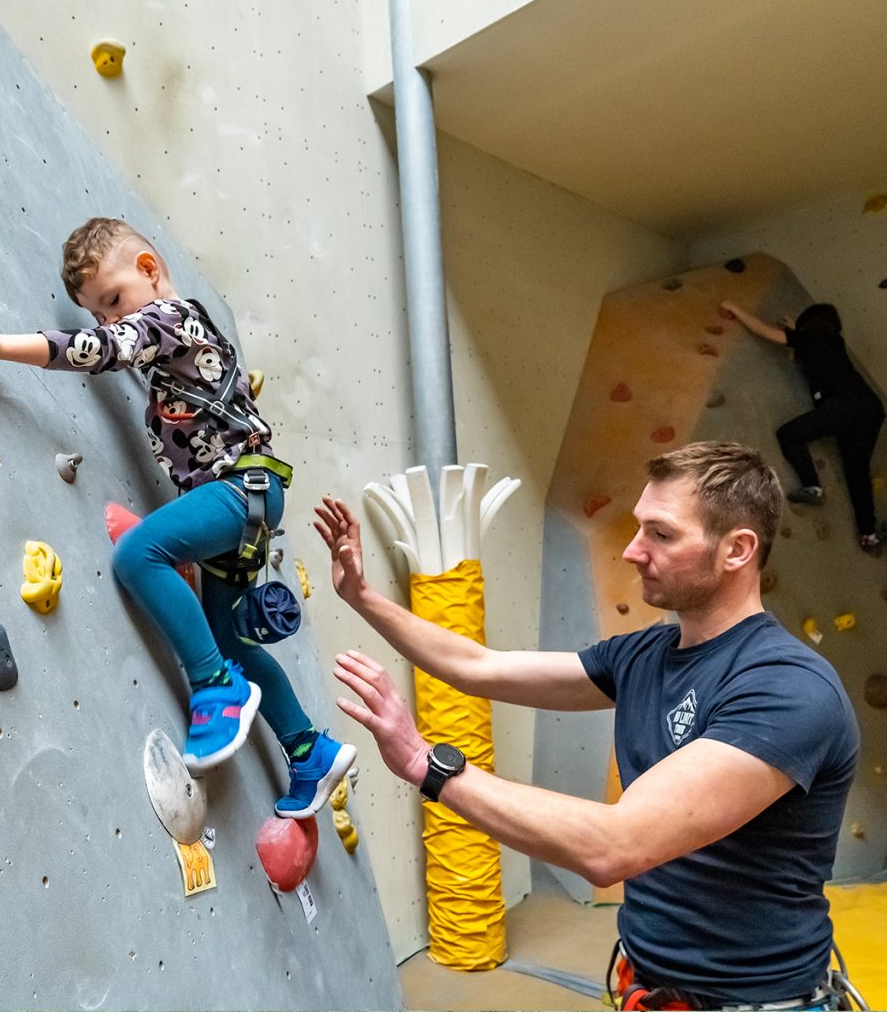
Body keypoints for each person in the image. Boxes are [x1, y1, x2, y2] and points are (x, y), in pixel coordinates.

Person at [315, 441, 859, 1010]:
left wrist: (427, 765)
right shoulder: (646, 654)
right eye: (638, 528)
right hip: (648, 984)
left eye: (661, 534)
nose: (632, 550)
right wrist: (361, 595)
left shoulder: (785, 687)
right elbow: (477, 667)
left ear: (737, 550)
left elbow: (613, 847)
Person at [0, 217, 354, 818]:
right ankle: (308, 751)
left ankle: (214, 688)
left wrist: (2, 343)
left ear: (148, 270)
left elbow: (102, 351)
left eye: (113, 300)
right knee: (227, 636)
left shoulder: (171, 318)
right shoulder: (175, 346)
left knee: (140, 554)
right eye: (99, 313)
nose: (111, 321)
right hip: (253, 497)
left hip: (239, 489)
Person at [721, 300, 884, 556]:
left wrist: (735, 307)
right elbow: (811, 345)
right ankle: (869, 534)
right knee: (857, 471)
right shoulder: (833, 343)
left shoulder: (808, 339)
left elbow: (761, 329)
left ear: (809, 324)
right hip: (871, 409)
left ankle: (813, 486)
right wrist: (796, 330)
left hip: (845, 406)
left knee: (789, 434)